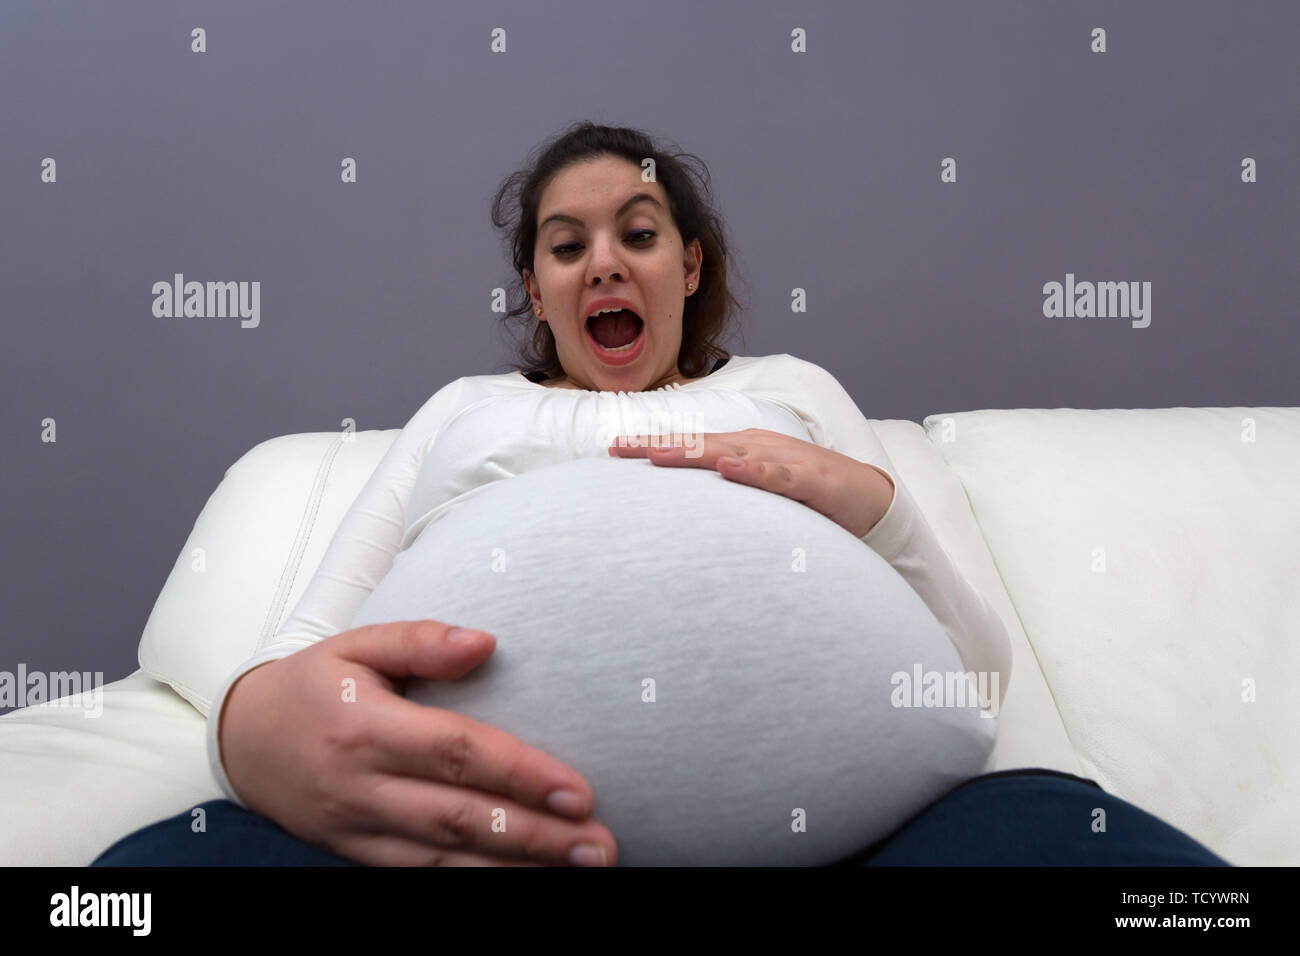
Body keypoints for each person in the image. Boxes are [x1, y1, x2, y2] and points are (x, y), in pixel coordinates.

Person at [91, 122, 1227, 868]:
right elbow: (304, 650)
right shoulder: (459, 412)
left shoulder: (792, 389)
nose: (602, 263)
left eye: (637, 234)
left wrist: (869, 503)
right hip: (466, 847)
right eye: (564, 244)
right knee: (121, 893)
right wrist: (253, 733)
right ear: (536, 290)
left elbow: (974, 681)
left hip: (863, 840)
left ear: (688, 264)